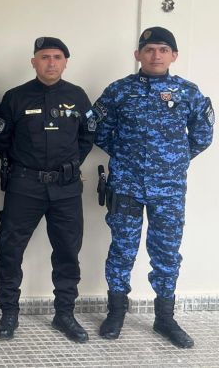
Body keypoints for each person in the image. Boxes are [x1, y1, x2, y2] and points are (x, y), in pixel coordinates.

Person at [92, 27, 213, 348]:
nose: (155, 55)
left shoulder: (187, 92)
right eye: (149, 49)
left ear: (173, 56)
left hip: (169, 190)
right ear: (138, 55)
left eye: (163, 49)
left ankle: (165, 318)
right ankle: (116, 312)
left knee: (166, 253)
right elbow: (98, 129)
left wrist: (172, 161)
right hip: (126, 185)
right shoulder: (118, 91)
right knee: (122, 249)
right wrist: (126, 155)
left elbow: (203, 134)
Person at [0, 37, 94, 342]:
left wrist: (68, 166)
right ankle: (9, 313)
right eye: (45, 57)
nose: (51, 62)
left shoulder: (78, 97)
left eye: (57, 57)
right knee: (10, 249)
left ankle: (65, 314)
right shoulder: (15, 98)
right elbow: (0, 140)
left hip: (66, 188)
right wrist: (25, 168)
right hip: (25, 186)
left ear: (65, 62)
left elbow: (87, 137)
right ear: (33, 61)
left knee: (67, 251)